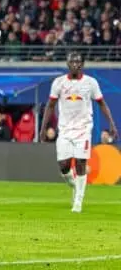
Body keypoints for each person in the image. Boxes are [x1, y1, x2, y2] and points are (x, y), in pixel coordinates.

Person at [40, 52, 118, 213]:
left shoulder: (90, 83)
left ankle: (78, 202)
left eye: (78, 62)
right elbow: (50, 106)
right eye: (72, 62)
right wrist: (43, 128)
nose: (75, 64)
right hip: (65, 130)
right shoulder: (59, 83)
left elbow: (102, 103)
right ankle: (74, 184)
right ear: (68, 64)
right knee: (64, 166)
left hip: (83, 129)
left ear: (83, 64)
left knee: (81, 163)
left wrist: (112, 124)